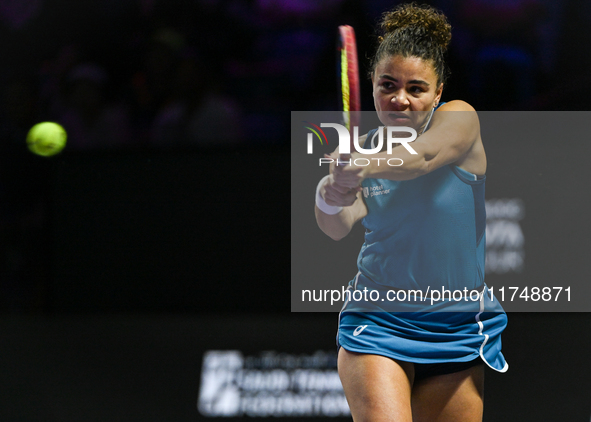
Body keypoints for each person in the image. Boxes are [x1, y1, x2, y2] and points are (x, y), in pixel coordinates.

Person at [314, 3, 507, 421]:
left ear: (437, 93)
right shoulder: (361, 150)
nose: (399, 99)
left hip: (458, 328)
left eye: (416, 88)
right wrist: (332, 192)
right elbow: (336, 225)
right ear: (372, 83)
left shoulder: (460, 119)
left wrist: (362, 166)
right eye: (388, 85)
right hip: (379, 322)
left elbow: (422, 156)